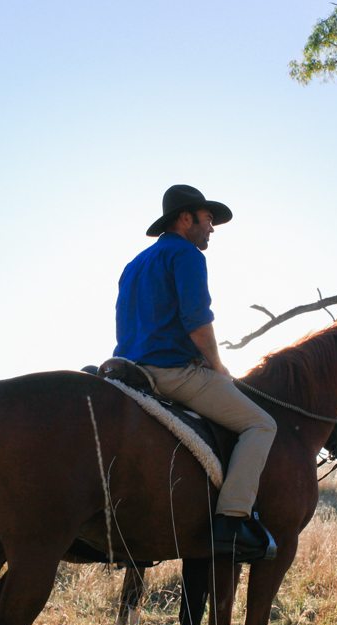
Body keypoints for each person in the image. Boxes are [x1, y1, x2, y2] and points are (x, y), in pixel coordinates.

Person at [114, 184, 277, 562]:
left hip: (128, 371)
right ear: (185, 219)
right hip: (172, 372)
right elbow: (197, 322)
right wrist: (218, 367)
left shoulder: (134, 264)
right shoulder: (187, 255)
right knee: (261, 425)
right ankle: (232, 521)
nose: (212, 228)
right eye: (207, 219)